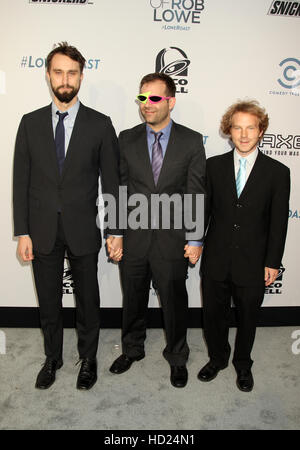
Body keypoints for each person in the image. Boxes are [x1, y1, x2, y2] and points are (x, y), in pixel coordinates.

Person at [13, 42, 122, 390]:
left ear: (81, 76)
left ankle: (88, 359)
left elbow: (113, 184)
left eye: (71, 72)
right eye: (58, 72)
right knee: (48, 300)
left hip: (83, 229)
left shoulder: (101, 125)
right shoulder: (29, 123)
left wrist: (116, 229)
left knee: (88, 300)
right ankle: (53, 357)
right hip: (41, 229)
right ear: (48, 75)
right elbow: (21, 181)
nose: (65, 79)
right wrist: (23, 232)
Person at [108, 73, 206, 388]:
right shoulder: (126, 138)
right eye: (142, 98)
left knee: (175, 303)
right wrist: (116, 230)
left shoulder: (192, 141)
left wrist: (194, 237)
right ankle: (132, 349)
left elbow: (195, 192)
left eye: (154, 98)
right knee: (132, 299)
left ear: (171, 101)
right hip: (134, 238)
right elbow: (119, 188)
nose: (146, 104)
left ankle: (177, 358)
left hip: (172, 240)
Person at [198, 100, 290, 392]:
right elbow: (204, 212)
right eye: (238, 127)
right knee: (214, 315)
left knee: (248, 318)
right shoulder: (213, 167)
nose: (244, 134)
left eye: (251, 127)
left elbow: (278, 223)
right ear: (229, 131)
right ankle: (217, 358)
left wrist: (272, 261)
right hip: (216, 258)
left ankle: (242, 364)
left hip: (253, 261)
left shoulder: (278, 172)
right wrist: (194, 242)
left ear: (261, 130)